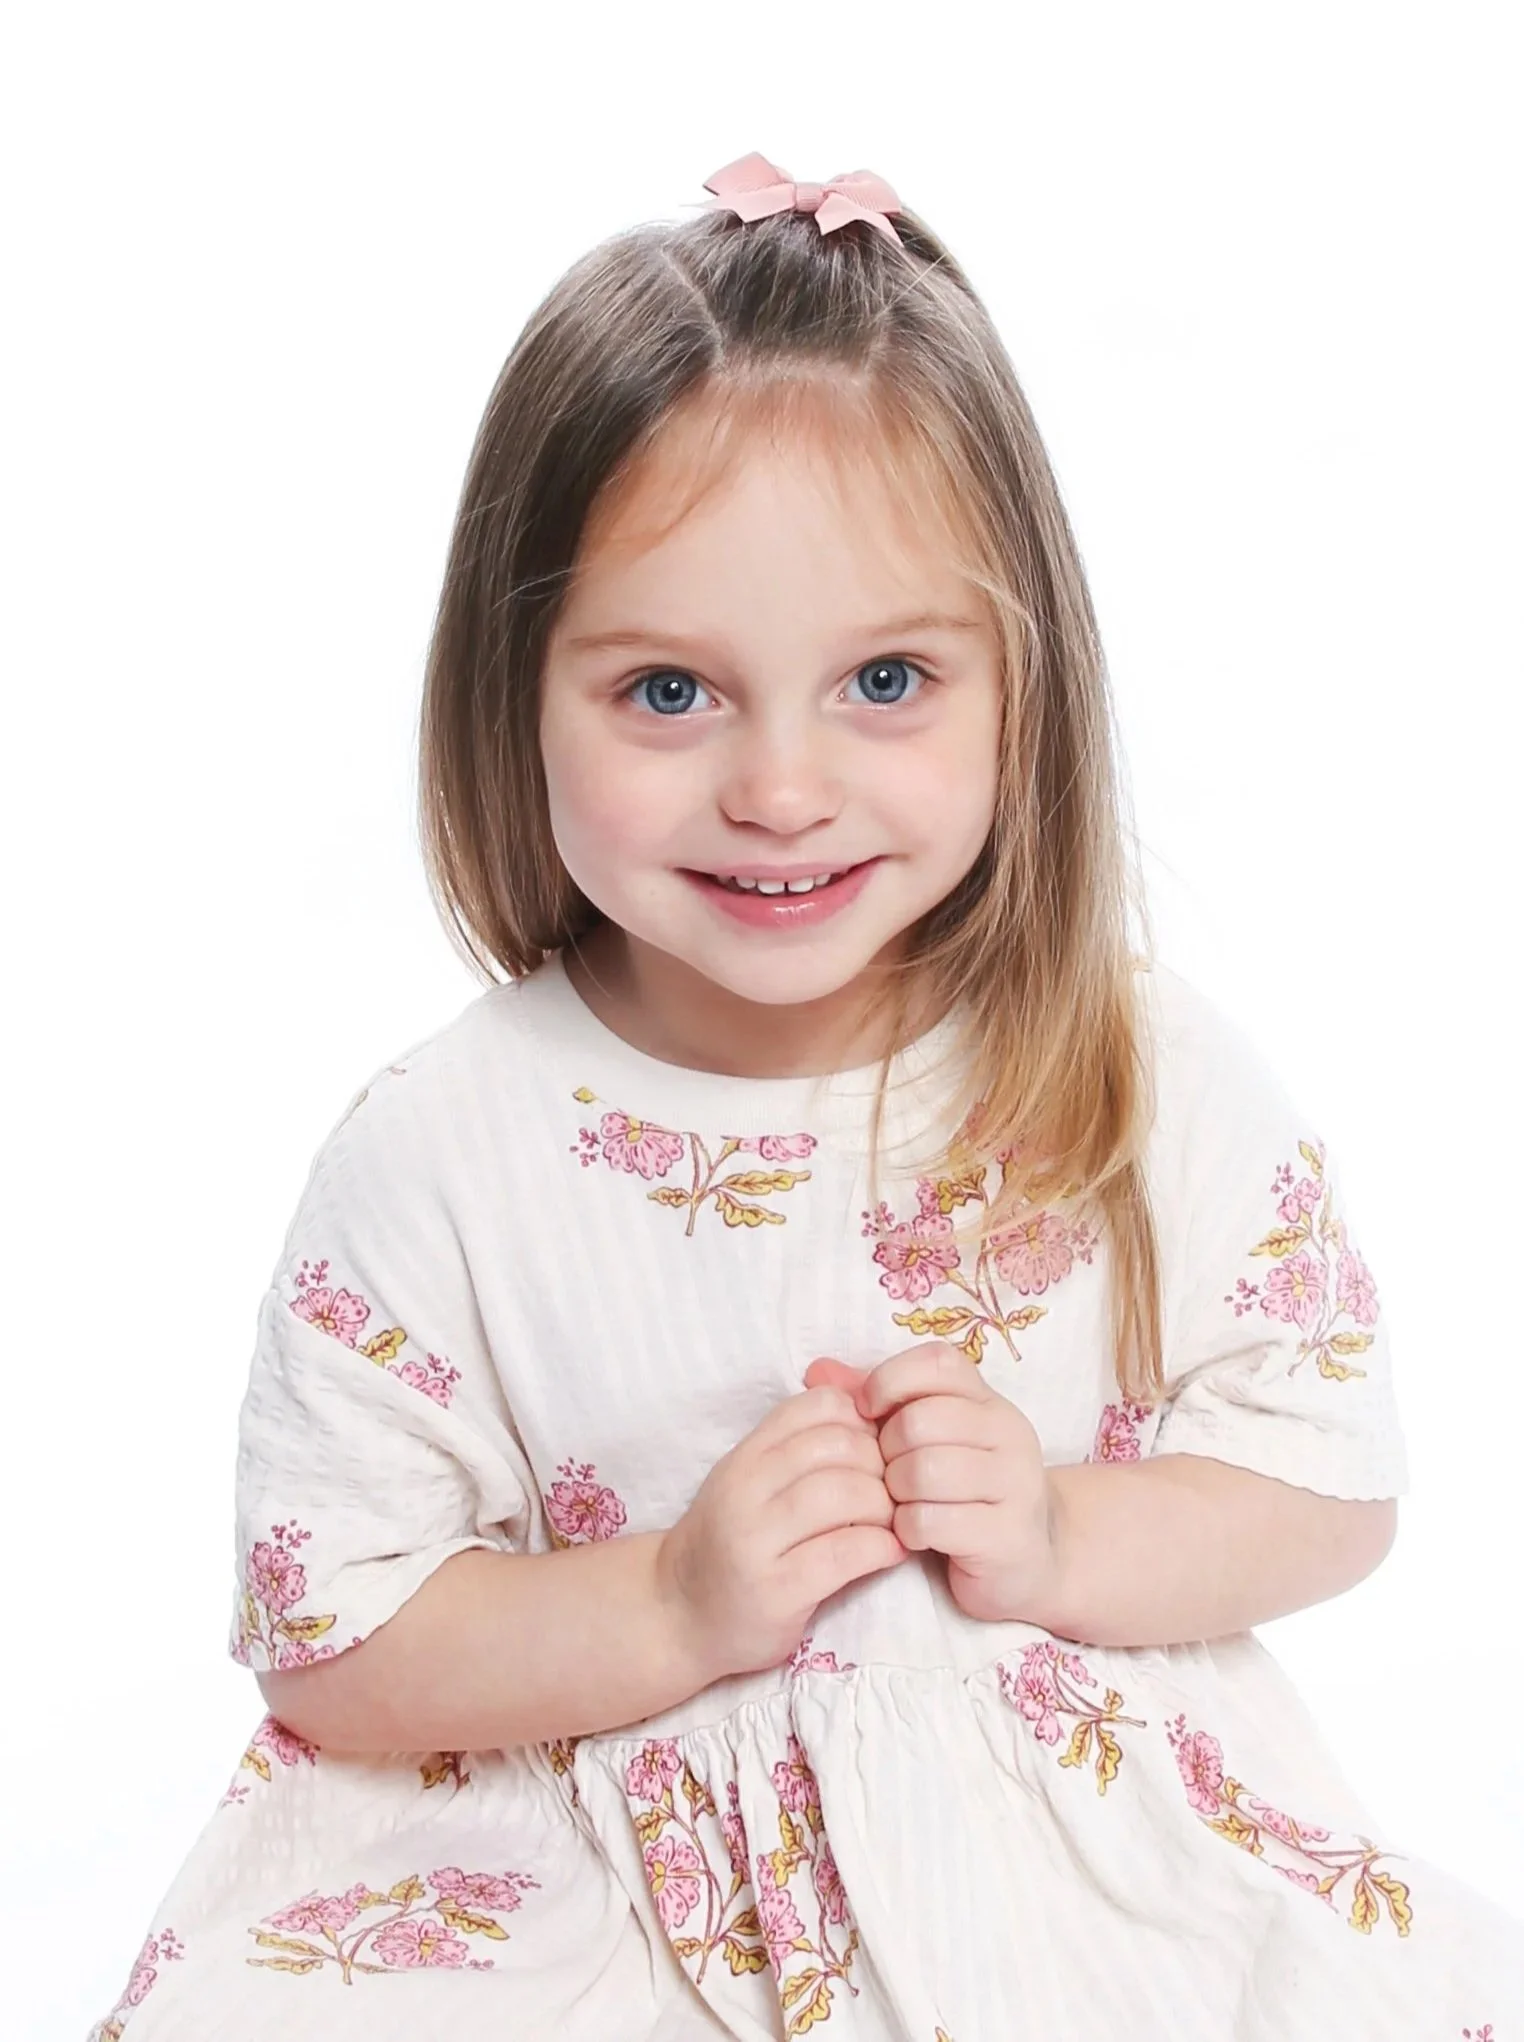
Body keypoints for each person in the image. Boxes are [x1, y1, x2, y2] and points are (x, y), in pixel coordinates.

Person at [89, 151, 1521, 2042]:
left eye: (887, 679)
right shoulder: (447, 1152)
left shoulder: (1126, 1069)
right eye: (669, 691)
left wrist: (1072, 1537)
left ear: (1028, 685)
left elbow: (1328, 1477)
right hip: (597, 1890)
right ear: (514, 690)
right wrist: (672, 1603)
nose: (779, 787)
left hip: (1060, 1876)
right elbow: (337, 1641)